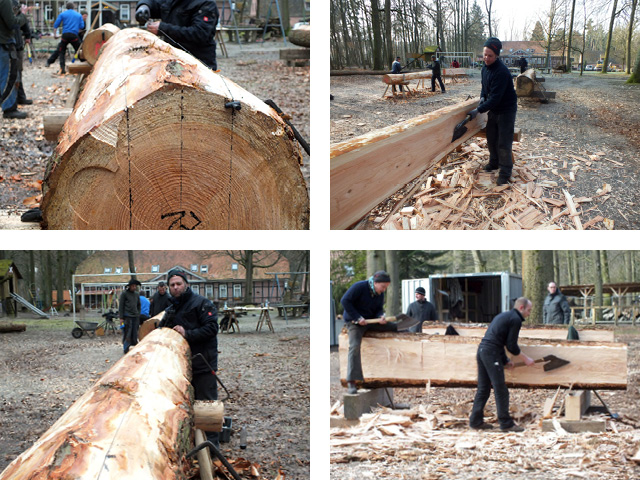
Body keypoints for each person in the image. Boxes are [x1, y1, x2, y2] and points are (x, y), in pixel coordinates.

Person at [158, 269, 219, 447]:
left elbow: (212, 329)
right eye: (172, 285)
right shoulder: (171, 309)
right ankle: (190, 443)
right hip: (179, 366)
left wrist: (187, 333)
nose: (175, 287)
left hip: (202, 362)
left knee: (206, 405)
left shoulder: (202, 304)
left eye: (179, 284)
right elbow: (162, 330)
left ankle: (212, 448)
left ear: (186, 284)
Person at [469, 297, 536, 432]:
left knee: (483, 389)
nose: (529, 313)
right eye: (529, 310)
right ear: (521, 308)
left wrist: (505, 360)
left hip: (483, 351)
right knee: (501, 390)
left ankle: (475, 421)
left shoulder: (505, 316)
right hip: (490, 353)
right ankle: (506, 424)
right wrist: (526, 359)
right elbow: (511, 346)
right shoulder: (515, 320)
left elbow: (499, 340)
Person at [467, 37, 518, 186]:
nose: (486, 58)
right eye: (485, 54)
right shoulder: (484, 68)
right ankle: (494, 163)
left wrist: (478, 110)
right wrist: (482, 97)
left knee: (503, 142)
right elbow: (485, 88)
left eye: (490, 55)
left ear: (496, 55)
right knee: (491, 138)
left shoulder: (501, 72)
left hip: (506, 110)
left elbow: (495, 98)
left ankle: (505, 171)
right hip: (494, 109)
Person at [341, 271, 396, 394]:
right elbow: (345, 301)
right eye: (383, 287)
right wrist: (357, 317)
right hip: (355, 323)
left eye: (386, 287)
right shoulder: (359, 287)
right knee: (354, 346)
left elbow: (378, 309)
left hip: (371, 322)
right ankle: (352, 381)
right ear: (375, 283)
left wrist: (381, 316)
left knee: (394, 327)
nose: (384, 290)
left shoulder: (380, 294)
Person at [135, 0, 219, 70]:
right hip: (173, 58)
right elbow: (156, 3)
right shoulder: (172, 1)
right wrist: (144, 6)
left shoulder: (206, 3)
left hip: (198, 62)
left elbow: (200, 34)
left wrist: (164, 29)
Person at [46, 1, 84, 74]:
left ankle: (62, 68)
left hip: (65, 36)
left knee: (61, 51)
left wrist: (55, 35)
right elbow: (82, 27)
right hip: (74, 36)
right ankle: (85, 63)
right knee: (79, 50)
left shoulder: (62, 14)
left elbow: (55, 25)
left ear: (66, 7)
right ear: (73, 7)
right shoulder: (78, 15)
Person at [0, 0, 22, 119]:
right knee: (9, 76)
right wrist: (22, 15)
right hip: (4, 43)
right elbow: (12, 23)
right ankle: (9, 108)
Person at [13, 2, 31, 106]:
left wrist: (28, 35)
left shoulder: (16, 6)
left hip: (17, 45)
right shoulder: (6, 6)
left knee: (18, 72)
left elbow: (23, 23)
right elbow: (14, 24)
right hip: (10, 45)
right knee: (14, 73)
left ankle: (20, 97)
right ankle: (13, 99)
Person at [119, 278, 141, 354]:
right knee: (127, 332)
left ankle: (134, 346)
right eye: (133, 286)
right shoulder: (124, 294)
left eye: (135, 286)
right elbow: (121, 306)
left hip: (135, 316)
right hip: (127, 316)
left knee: (135, 332)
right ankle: (126, 347)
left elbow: (138, 305)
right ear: (129, 286)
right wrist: (121, 317)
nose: (134, 287)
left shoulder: (137, 294)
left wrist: (138, 313)